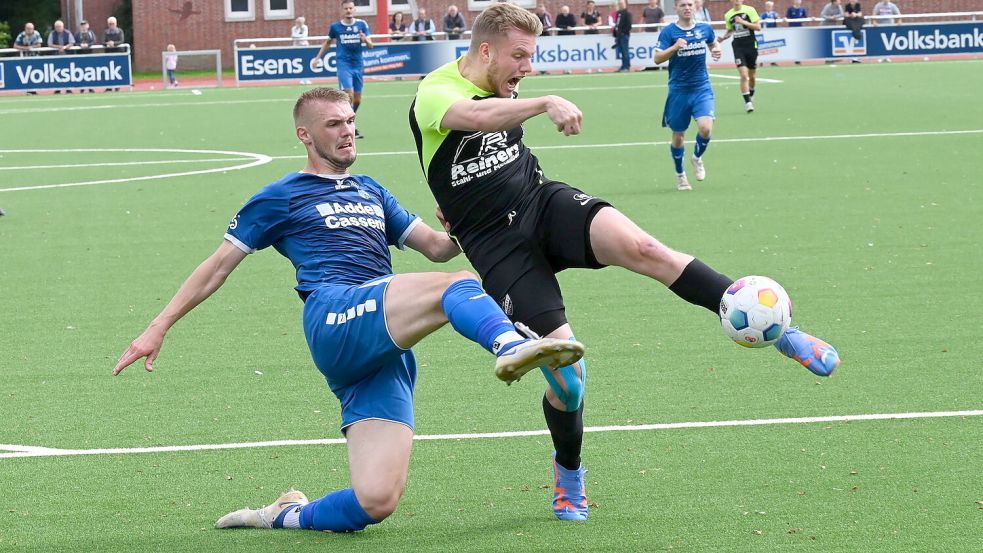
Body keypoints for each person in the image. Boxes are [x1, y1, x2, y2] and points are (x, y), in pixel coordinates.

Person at [409, 2, 840, 521]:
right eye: (519, 56)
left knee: (646, 249)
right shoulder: (436, 91)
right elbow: (472, 118)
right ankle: (569, 472)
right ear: (484, 50)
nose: (527, 67)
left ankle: (778, 330)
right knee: (569, 376)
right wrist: (544, 102)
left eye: (532, 58)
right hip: (496, 245)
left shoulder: (506, 83)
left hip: (542, 202)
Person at [114, 87, 585, 534]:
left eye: (351, 121)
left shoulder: (371, 190)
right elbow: (216, 267)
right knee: (457, 287)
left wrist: (463, 221)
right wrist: (158, 327)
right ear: (305, 135)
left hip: (382, 345)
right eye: (335, 123)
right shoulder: (282, 195)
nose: (347, 131)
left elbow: (438, 250)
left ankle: (283, 515)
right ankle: (511, 344)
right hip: (336, 315)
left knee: (374, 501)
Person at [655, 0, 721, 189]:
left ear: (695, 7)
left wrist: (716, 50)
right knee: (678, 136)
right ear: (676, 8)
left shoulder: (704, 29)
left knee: (706, 128)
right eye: (683, 4)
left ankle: (697, 158)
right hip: (679, 91)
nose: (687, 8)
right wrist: (675, 47)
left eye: (690, 4)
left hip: (702, 88)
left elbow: (713, 43)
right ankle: (680, 175)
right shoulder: (669, 32)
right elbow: (657, 58)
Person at [312, 0, 374, 139]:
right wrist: (318, 58)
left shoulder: (362, 25)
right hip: (343, 64)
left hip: (357, 65)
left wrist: (365, 39)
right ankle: (348, 125)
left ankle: (348, 121)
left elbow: (371, 45)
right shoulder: (336, 27)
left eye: (351, 8)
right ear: (342, 10)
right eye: (346, 8)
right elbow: (327, 43)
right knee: (348, 95)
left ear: (355, 10)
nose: (348, 11)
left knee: (357, 100)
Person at [719, 0, 762, 113]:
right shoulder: (728, 14)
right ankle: (748, 102)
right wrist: (723, 38)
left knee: (752, 76)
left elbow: (758, 27)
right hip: (738, 46)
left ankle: (751, 93)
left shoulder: (750, 10)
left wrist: (743, 22)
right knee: (744, 75)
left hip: (751, 45)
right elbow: (730, 30)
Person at [613, 0, 632, 71]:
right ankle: (623, 66)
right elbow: (617, 24)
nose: (621, 5)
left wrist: (623, 32)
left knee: (625, 51)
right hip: (619, 35)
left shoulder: (627, 13)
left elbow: (629, 25)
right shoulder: (618, 13)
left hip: (624, 35)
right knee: (621, 51)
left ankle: (627, 66)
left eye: (622, 4)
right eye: (619, 4)